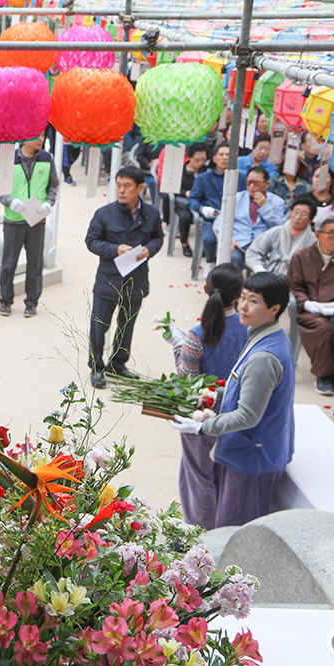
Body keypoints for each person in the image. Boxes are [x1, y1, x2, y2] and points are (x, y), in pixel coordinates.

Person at [170, 272, 295, 528]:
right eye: (243, 298)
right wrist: (211, 397)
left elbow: (248, 415)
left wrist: (202, 427)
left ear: (275, 309)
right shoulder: (260, 335)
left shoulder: (265, 356)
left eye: (254, 301)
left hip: (251, 458)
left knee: (234, 536)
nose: (244, 306)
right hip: (248, 452)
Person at [167, 264, 247, 529]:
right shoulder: (250, 332)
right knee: (226, 475)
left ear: (205, 290)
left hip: (203, 412)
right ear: (239, 296)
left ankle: (199, 532)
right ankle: (222, 529)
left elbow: (187, 380)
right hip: (237, 413)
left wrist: (178, 345)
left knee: (198, 475)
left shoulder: (197, 334)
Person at [85, 166, 164, 389]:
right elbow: (91, 241)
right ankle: (97, 367)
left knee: (126, 325)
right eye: (118, 185)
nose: (121, 190)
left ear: (140, 188)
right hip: (108, 279)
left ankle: (117, 364)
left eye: (127, 186)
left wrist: (150, 248)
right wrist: (114, 249)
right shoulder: (104, 213)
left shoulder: (152, 213)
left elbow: (158, 237)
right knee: (99, 326)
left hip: (136, 280)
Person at [0, 133, 58, 317]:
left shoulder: (47, 158)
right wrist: (10, 201)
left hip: (36, 220)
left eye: (43, 135)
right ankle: (5, 300)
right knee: (8, 264)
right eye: (37, 136)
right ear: (24, 138)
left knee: (35, 263)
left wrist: (49, 203)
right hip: (13, 220)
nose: (41, 139)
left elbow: (53, 186)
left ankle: (32, 302)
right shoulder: (8, 158)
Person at [287, 214, 334, 395]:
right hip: (308, 310)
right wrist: (307, 304)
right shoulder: (301, 257)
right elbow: (293, 286)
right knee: (325, 328)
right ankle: (324, 374)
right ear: (318, 235)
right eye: (332, 233)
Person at [214, 166, 286, 269]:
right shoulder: (237, 198)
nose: (252, 186)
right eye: (249, 182)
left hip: (263, 246)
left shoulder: (277, 202)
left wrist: (265, 208)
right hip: (239, 243)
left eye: (256, 183)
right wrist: (229, 240)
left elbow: (280, 228)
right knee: (234, 259)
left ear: (267, 184)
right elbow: (220, 222)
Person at [244, 196, 318, 276]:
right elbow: (253, 252)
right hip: (270, 276)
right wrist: (259, 269)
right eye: (295, 212)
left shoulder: (314, 241)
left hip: (298, 281)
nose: (297, 217)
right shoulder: (275, 232)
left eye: (303, 214)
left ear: (311, 219)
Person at [190, 143, 230, 263]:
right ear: (215, 158)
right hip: (211, 219)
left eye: (228, 155)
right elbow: (192, 200)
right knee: (209, 240)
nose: (224, 158)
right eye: (221, 154)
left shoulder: (242, 178)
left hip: (234, 221)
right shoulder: (203, 178)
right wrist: (203, 209)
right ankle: (210, 263)